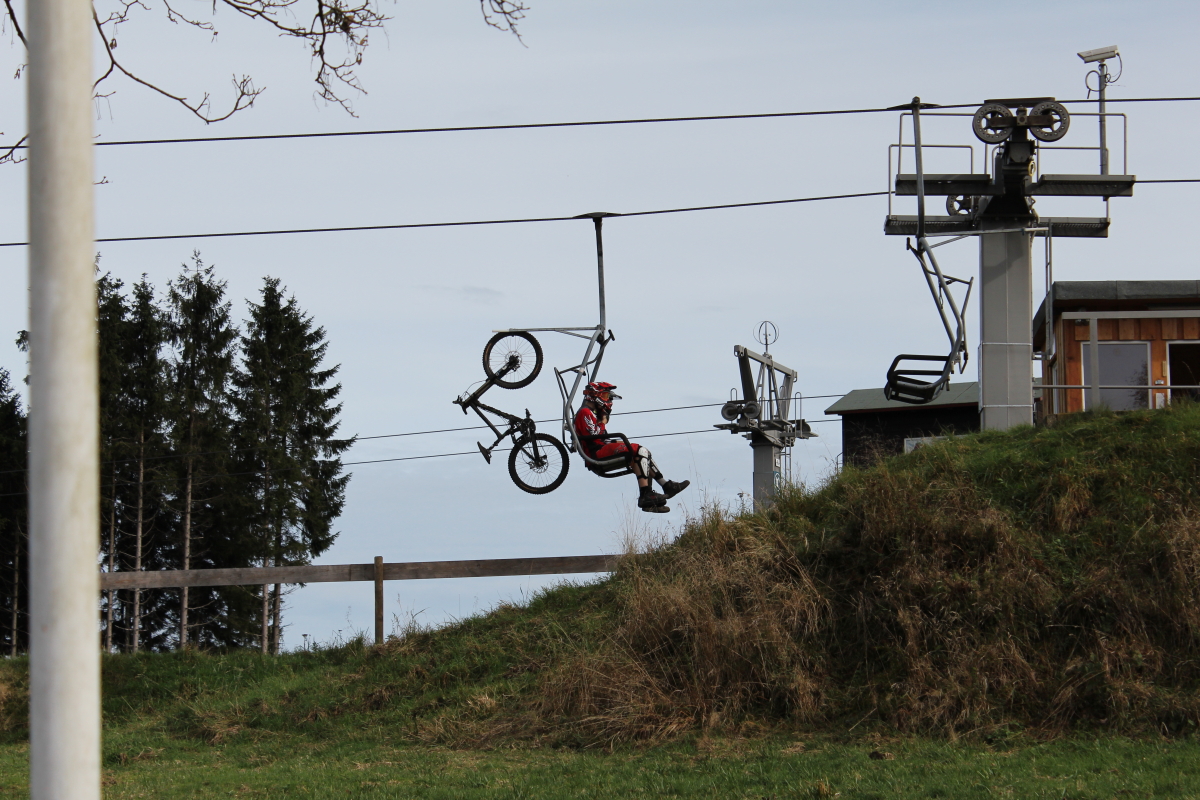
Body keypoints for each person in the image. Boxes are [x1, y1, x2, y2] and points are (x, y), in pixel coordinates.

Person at [573, 381, 690, 513]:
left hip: (601, 448)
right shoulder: (585, 412)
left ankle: (663, 487)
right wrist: (603, 421)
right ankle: (647, 494)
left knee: (644, 453)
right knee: (640, 451)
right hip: (596, 452)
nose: (608, 400)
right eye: (605, 396)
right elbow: (593, 435)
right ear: (595, 396)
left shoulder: (592, 413)